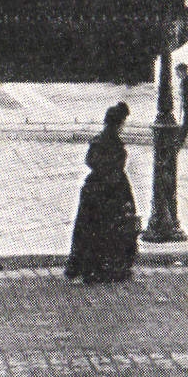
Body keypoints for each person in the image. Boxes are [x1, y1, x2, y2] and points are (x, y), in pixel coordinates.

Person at [65, 103, 140, 284]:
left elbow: (90, 161)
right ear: (119, 124)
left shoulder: (97, 141)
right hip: (110, 192)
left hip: (93, 190)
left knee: (88, 230)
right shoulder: (117, 147)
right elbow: (116, 172)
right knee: (109, 229)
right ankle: (107, 268)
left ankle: (84, 267)